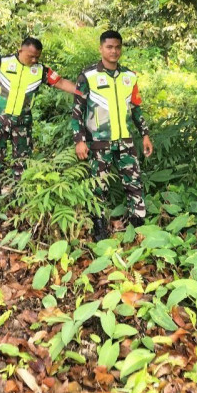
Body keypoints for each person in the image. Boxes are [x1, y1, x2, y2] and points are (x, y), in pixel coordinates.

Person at [0, 37, 78, 196]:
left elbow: (61, 82)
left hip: (22, 122)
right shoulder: (2, 63)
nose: (34, 59)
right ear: (20, 50)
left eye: (37, 56)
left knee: (22, 159)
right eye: (31, 56)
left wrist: (82, 92)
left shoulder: (41, 70)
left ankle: (18, 194)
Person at [72, 30, 154, 240]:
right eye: (109, 47)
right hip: (99, 142)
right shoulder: (88, 76)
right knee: (99, 186)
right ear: (101, 48)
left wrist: (145, 134)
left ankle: (137, 225)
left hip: (125, 141)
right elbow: (77, 111)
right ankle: (99, 228)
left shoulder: (129, 77)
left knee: (134, 182)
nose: (114, 51)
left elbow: (136, 109)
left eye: (117, 47)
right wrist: (79, 140)